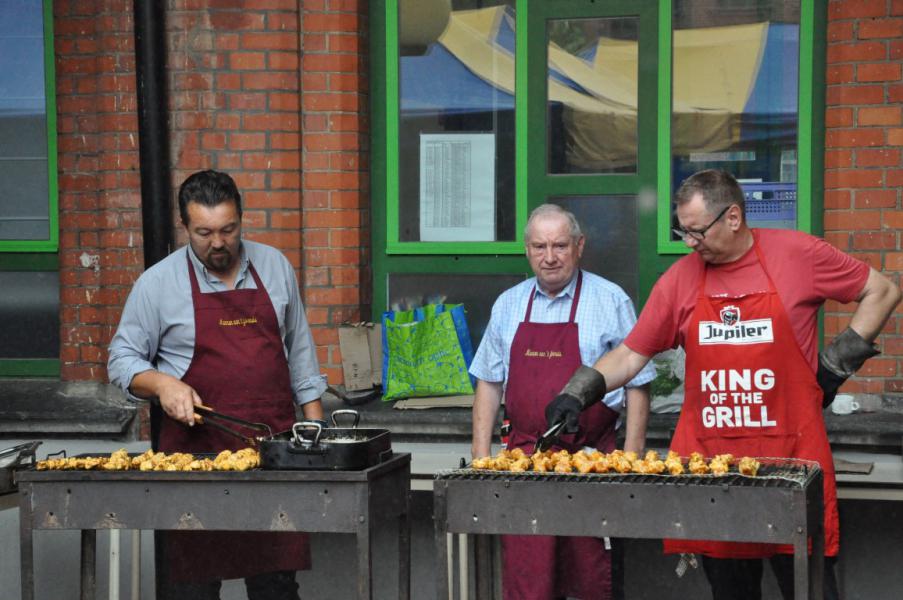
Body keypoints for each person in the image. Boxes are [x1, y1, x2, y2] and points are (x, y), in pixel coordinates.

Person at [546, 170, 902, 600]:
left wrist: (833, 366)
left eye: (697, 231)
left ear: (733, 217)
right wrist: (578, 390)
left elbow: (881, 291)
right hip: (716, 477)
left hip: (792, 468)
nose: (689, 243)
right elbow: (631, 354)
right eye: (683, 231)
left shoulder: (798, 255)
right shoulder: (680, 279)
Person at [108, 169, 328, 600]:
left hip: (273, 461)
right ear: (185, 227)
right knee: (192, 588)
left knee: (277, 588)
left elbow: (302, 359)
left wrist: (317, 440)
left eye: (228, 230)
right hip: (194, 469)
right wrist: (162, 384)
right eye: (204, 232)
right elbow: (121, 359)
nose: (218, 243)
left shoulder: (275, 267)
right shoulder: (158, 284)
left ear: (241, 219)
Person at [470, 203, 656, 600]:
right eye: (539, 246)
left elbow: (639, 383)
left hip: (592, 463)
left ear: (579, 246)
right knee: (528, 581)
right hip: (524, 465)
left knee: (592, 578)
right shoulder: (508, 304)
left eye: (559, 245)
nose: (549, 257)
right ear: (527, 249)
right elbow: (488, 382)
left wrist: (633, 457)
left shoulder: (611, 300)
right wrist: (480, 456)